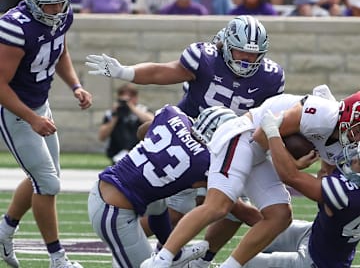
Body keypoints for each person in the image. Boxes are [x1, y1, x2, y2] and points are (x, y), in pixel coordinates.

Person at [85, 15, 287, 267]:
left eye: (253, 55)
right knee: (204, 207)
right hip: (198, 143)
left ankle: (191, 259)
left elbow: (145, 131)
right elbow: (164, 71)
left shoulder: (270, 76)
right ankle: (150, 251)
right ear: (225, 45)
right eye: (240, 52)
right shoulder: (204, 58)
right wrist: (127, 72)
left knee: (195, 208)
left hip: (225, 142)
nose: (246, 60)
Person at [140, 89, 360, 268]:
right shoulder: (322, 114)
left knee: (280, 216)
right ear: (350, 113)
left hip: (261, 152)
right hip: (243, 136)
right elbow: (262, 134)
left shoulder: (343, 143)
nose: (358, 136)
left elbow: (324, 173)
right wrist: (292, 165)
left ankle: (230, 266)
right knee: (218, 206)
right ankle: (161, 259)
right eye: (358, 129)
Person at [0, 0, 92, 268]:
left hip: (40, 105)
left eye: (60, 2)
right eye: (50, 4)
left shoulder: (61, 16)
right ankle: (57, 258)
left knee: (46, 177)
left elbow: (59, 50)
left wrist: (76, 85)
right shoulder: (15, 27)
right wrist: (31, 118)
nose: (57, 10)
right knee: (48, 183)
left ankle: (4, 230)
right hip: (15, 110)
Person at [90, 103, 211, 267]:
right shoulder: (204, 161)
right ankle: (169, 255)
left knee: (160, 203)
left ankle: (174, 253)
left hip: (107, 189)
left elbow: (142, 131)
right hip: (112, 213)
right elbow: (226, 201)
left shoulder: (173, 115)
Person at [241, 109, 360, 268]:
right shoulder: (351, 186)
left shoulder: (345, 194)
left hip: (314, 262)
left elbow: (290, 176)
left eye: (357, 160)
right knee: (263, 231)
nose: (351, 158)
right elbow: (328, 167)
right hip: (315, 235)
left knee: (245, 263)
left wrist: (272, 133)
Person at [98, 83, 154, 164]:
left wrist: (132, 107)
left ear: (136, 97)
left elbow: (152, 122)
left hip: (139, 153)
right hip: (117, 154)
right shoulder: (111, 113)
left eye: (131, 96)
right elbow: (102, 137)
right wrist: (115, 116)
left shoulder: (142, 109)